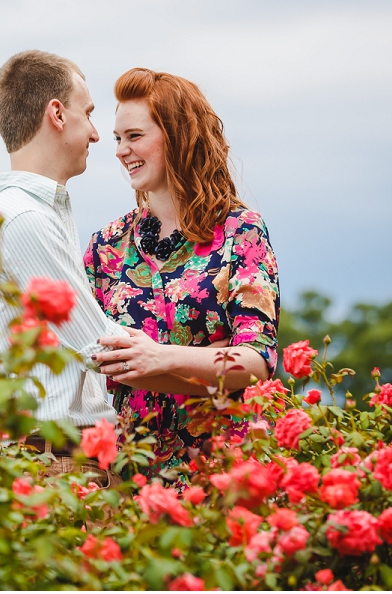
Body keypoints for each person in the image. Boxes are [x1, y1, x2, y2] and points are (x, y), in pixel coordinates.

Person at [85, 67, 280, 478]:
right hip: (127, 481)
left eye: (135, 136)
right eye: (119, 138)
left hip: (220, 475)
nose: (121, 150)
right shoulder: (106, 246)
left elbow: (256, 360)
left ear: (177, 136)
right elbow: (85, 361)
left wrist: (157, 357)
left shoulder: (239, 232)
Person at [0, 50, 131, 487]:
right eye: (89, 113)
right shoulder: (25, 219)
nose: (97, 134)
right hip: (56, 462)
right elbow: (100, 347)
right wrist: (203, 365)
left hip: (61, 456)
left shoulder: (35, 214)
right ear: (57, 114)